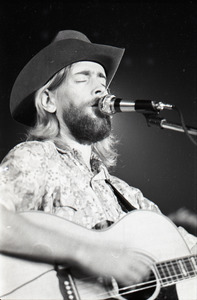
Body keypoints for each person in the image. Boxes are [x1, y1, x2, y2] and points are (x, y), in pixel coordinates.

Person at [0, 30, 196, 300]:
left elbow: (188, 253)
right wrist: (86, 253)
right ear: (48, 100)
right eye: (83, 78)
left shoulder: (127, 196)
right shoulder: (35, 159)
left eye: (103, 80)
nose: (100, 88)